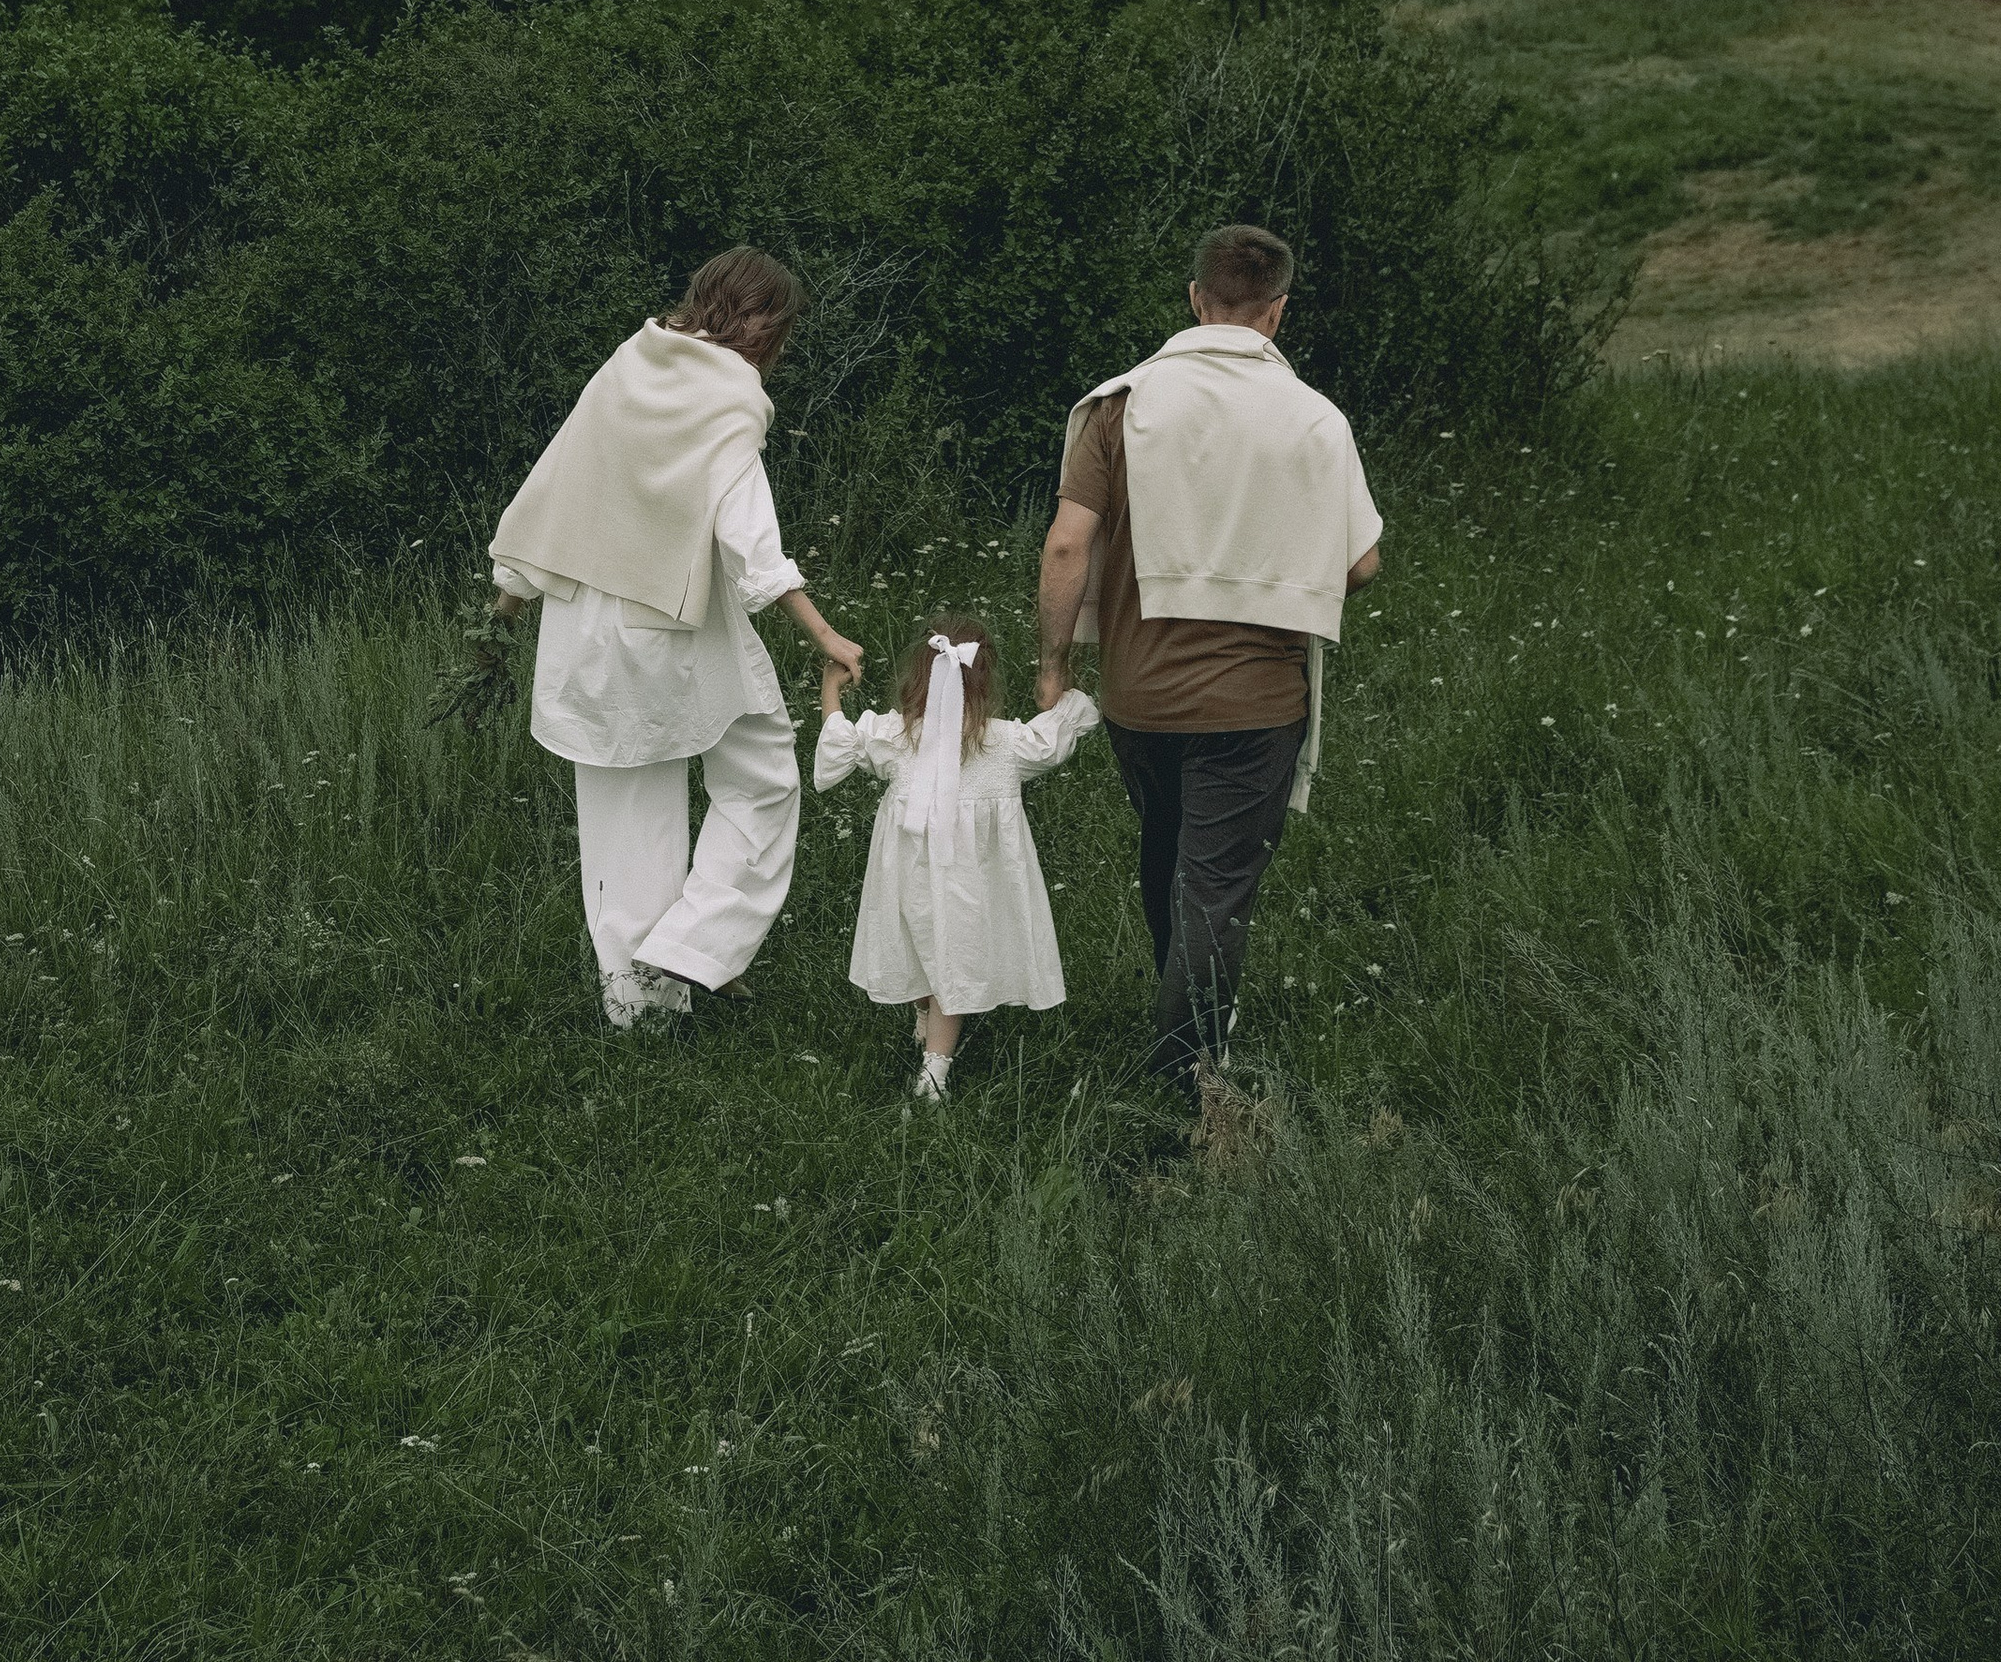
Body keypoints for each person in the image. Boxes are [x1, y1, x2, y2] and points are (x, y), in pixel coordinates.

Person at [1035, 221, 1382, 1090]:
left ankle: (1188, 1019)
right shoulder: (1314, 418)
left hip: (1140, 694)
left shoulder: (1121, 406)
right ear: (1278, 312)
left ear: (1196, 298)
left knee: (1169, 855)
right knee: (1216, 884)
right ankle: (1185, 1076)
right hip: (1255, 704)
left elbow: (1067, 545)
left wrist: (1054, 667)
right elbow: (1360, 563)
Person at [488, 247, 864, 1030]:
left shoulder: (631, 360)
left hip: (584, 624)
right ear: (765, 324)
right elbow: (749, 537)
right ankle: (689, 953)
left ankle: (644, 1005)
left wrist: (505, 607)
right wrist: (825, 634)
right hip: (667, 627)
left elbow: (554, 483)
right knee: (763, 777)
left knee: (628, 820)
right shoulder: (732, 396)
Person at [813, 613, 1099, 1101]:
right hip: (971, 878)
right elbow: (1062, 729)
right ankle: (935, 1067)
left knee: (927, 939)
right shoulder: (1006, 742)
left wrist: (830, 688)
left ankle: (933, 1053)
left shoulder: (896, 735)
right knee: (952, 947)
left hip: (909, 872)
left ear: (918, 677)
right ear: (985, 679)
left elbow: (840, 744)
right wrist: (1058, 684)